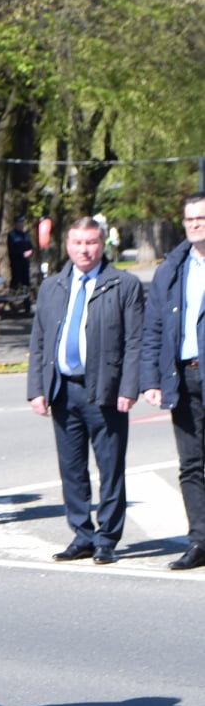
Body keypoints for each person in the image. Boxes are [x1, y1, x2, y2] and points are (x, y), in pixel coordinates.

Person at [27, 217, 144, 565]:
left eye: (91, 242)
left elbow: (135, 341)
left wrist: (129, 387)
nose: (84, 249)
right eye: (77, 243)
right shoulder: (53, 286)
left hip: (105, 391)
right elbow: (39, 341)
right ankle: (82, 534)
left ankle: (107, 538)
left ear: (102, 244)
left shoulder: (123, 284)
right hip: (63, 390)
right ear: (67, 246)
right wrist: (37, 388)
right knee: (72, 468)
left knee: (110, 468)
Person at [141, 193, 205, 570]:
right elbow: (153, 327)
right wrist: (151, 378)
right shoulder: (173, 268)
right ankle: (200, 541)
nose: (195, 224)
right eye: (190, 219)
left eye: (202, 217)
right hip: (183, 376)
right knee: (191, 464)